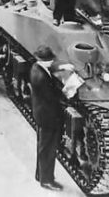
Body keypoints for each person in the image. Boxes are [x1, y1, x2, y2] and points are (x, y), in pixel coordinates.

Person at [30, 45, 74, 191]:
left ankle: (40, 175)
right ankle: (46, 180)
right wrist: (67, 91)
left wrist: (62, 67)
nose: (51, 62)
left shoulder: (37, 68)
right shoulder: (41, 78)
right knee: (48, 150)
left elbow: (49, 70)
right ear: (44, 61)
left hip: (41, 114)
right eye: (50, 60)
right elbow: (53, 97)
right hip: (47, 117)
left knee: (43, 147)